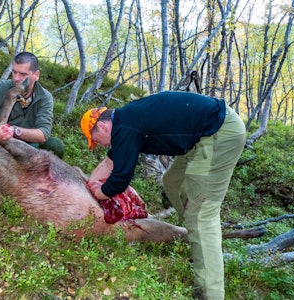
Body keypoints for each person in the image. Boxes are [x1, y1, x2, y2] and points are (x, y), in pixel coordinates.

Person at [80, 91, 246, 300]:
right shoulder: (126, 119)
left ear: (103, 126)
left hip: (219, 134)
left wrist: (100, 193)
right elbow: (109, 162)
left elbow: (120, 179)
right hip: (200, 138)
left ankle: (210, 293)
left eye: (98, 140)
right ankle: (195, 233)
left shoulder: (124, 127)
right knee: (172, 181)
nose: (102, 145)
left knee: (203, 217)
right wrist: (89, 185)